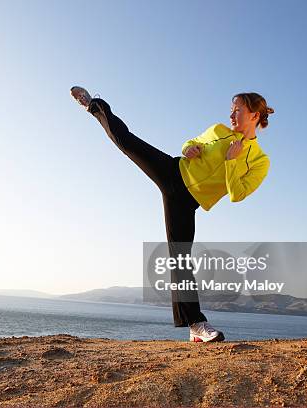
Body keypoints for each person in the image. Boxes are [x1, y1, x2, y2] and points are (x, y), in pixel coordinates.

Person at [71, 86, 274, 342]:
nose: (232, 116)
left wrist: (232, 160)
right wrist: (189, 148)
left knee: (179, 258)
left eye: (238, 111)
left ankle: (195, 326)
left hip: (186, 202)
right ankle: (94, 105)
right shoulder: (217, 130)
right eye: (231, 110)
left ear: (255, 115)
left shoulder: (259, 160)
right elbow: (191, 143)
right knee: (126, 141)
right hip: (172, 170)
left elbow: (237, 194)